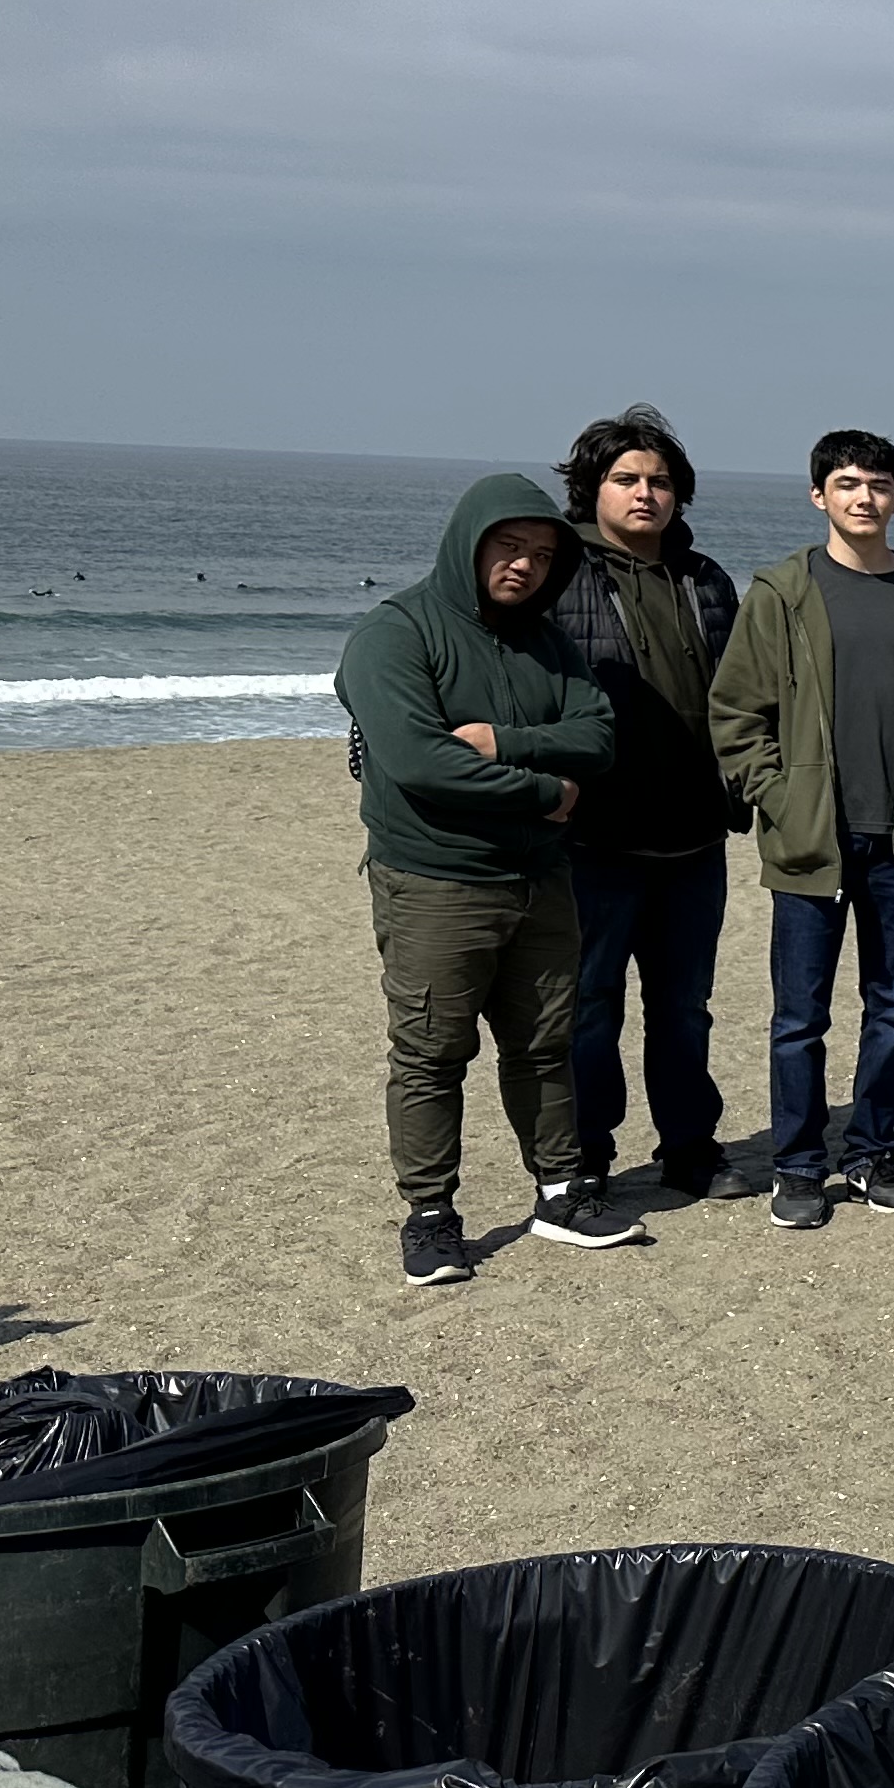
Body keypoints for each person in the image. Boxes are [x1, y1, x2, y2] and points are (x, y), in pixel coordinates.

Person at [332, 473, 639, 1283]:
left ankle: (562, 1192)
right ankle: (430, 1216)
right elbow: (419, 762)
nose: (525, 566)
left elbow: (599, 736)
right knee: (432, 1052)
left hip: (540, 880)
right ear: (470, 542)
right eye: (509, 547)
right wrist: (550, 792)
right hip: (437, 882)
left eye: (541, 554)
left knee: (544, 1045)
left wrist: (505, 745)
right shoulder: (394, 635)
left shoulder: (547, 639)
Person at [706, 429, 894, 1228]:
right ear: (819, 494)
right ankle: (798, 1166)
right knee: (801, 1017)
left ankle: (870, 1155)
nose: (866, 497)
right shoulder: (783, 592)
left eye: (881, 485)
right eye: (850, 483)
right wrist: (778, 796)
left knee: (891, 1009)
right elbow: (734, 711)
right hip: (810, 842)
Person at [548, 406, 752, 1206]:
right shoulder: (558, 576)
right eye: (626, 479)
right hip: (591, 844)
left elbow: (745, 695)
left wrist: (743, 789)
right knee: (588, 1011)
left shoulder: (706, 581)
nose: (645, 494)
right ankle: (588, 1155)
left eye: (660, 481)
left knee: (684, 1011)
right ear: (591, 488)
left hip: (694, 841)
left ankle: (690, 1149)